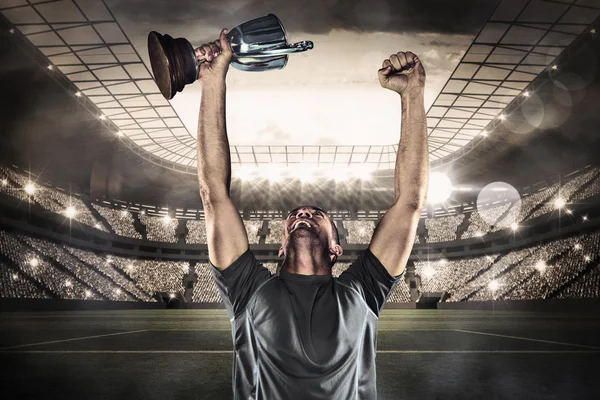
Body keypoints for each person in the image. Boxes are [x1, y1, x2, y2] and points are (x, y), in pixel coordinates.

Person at [197, 28, 429, 400]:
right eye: (295, 215)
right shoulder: (248, 290)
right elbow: (214, 195)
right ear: (280, 248)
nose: (304, 212)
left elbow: (410, 202)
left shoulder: (363, 292)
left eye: (318, 214)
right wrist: (212, 80)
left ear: (337, 248)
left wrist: (413, 94)